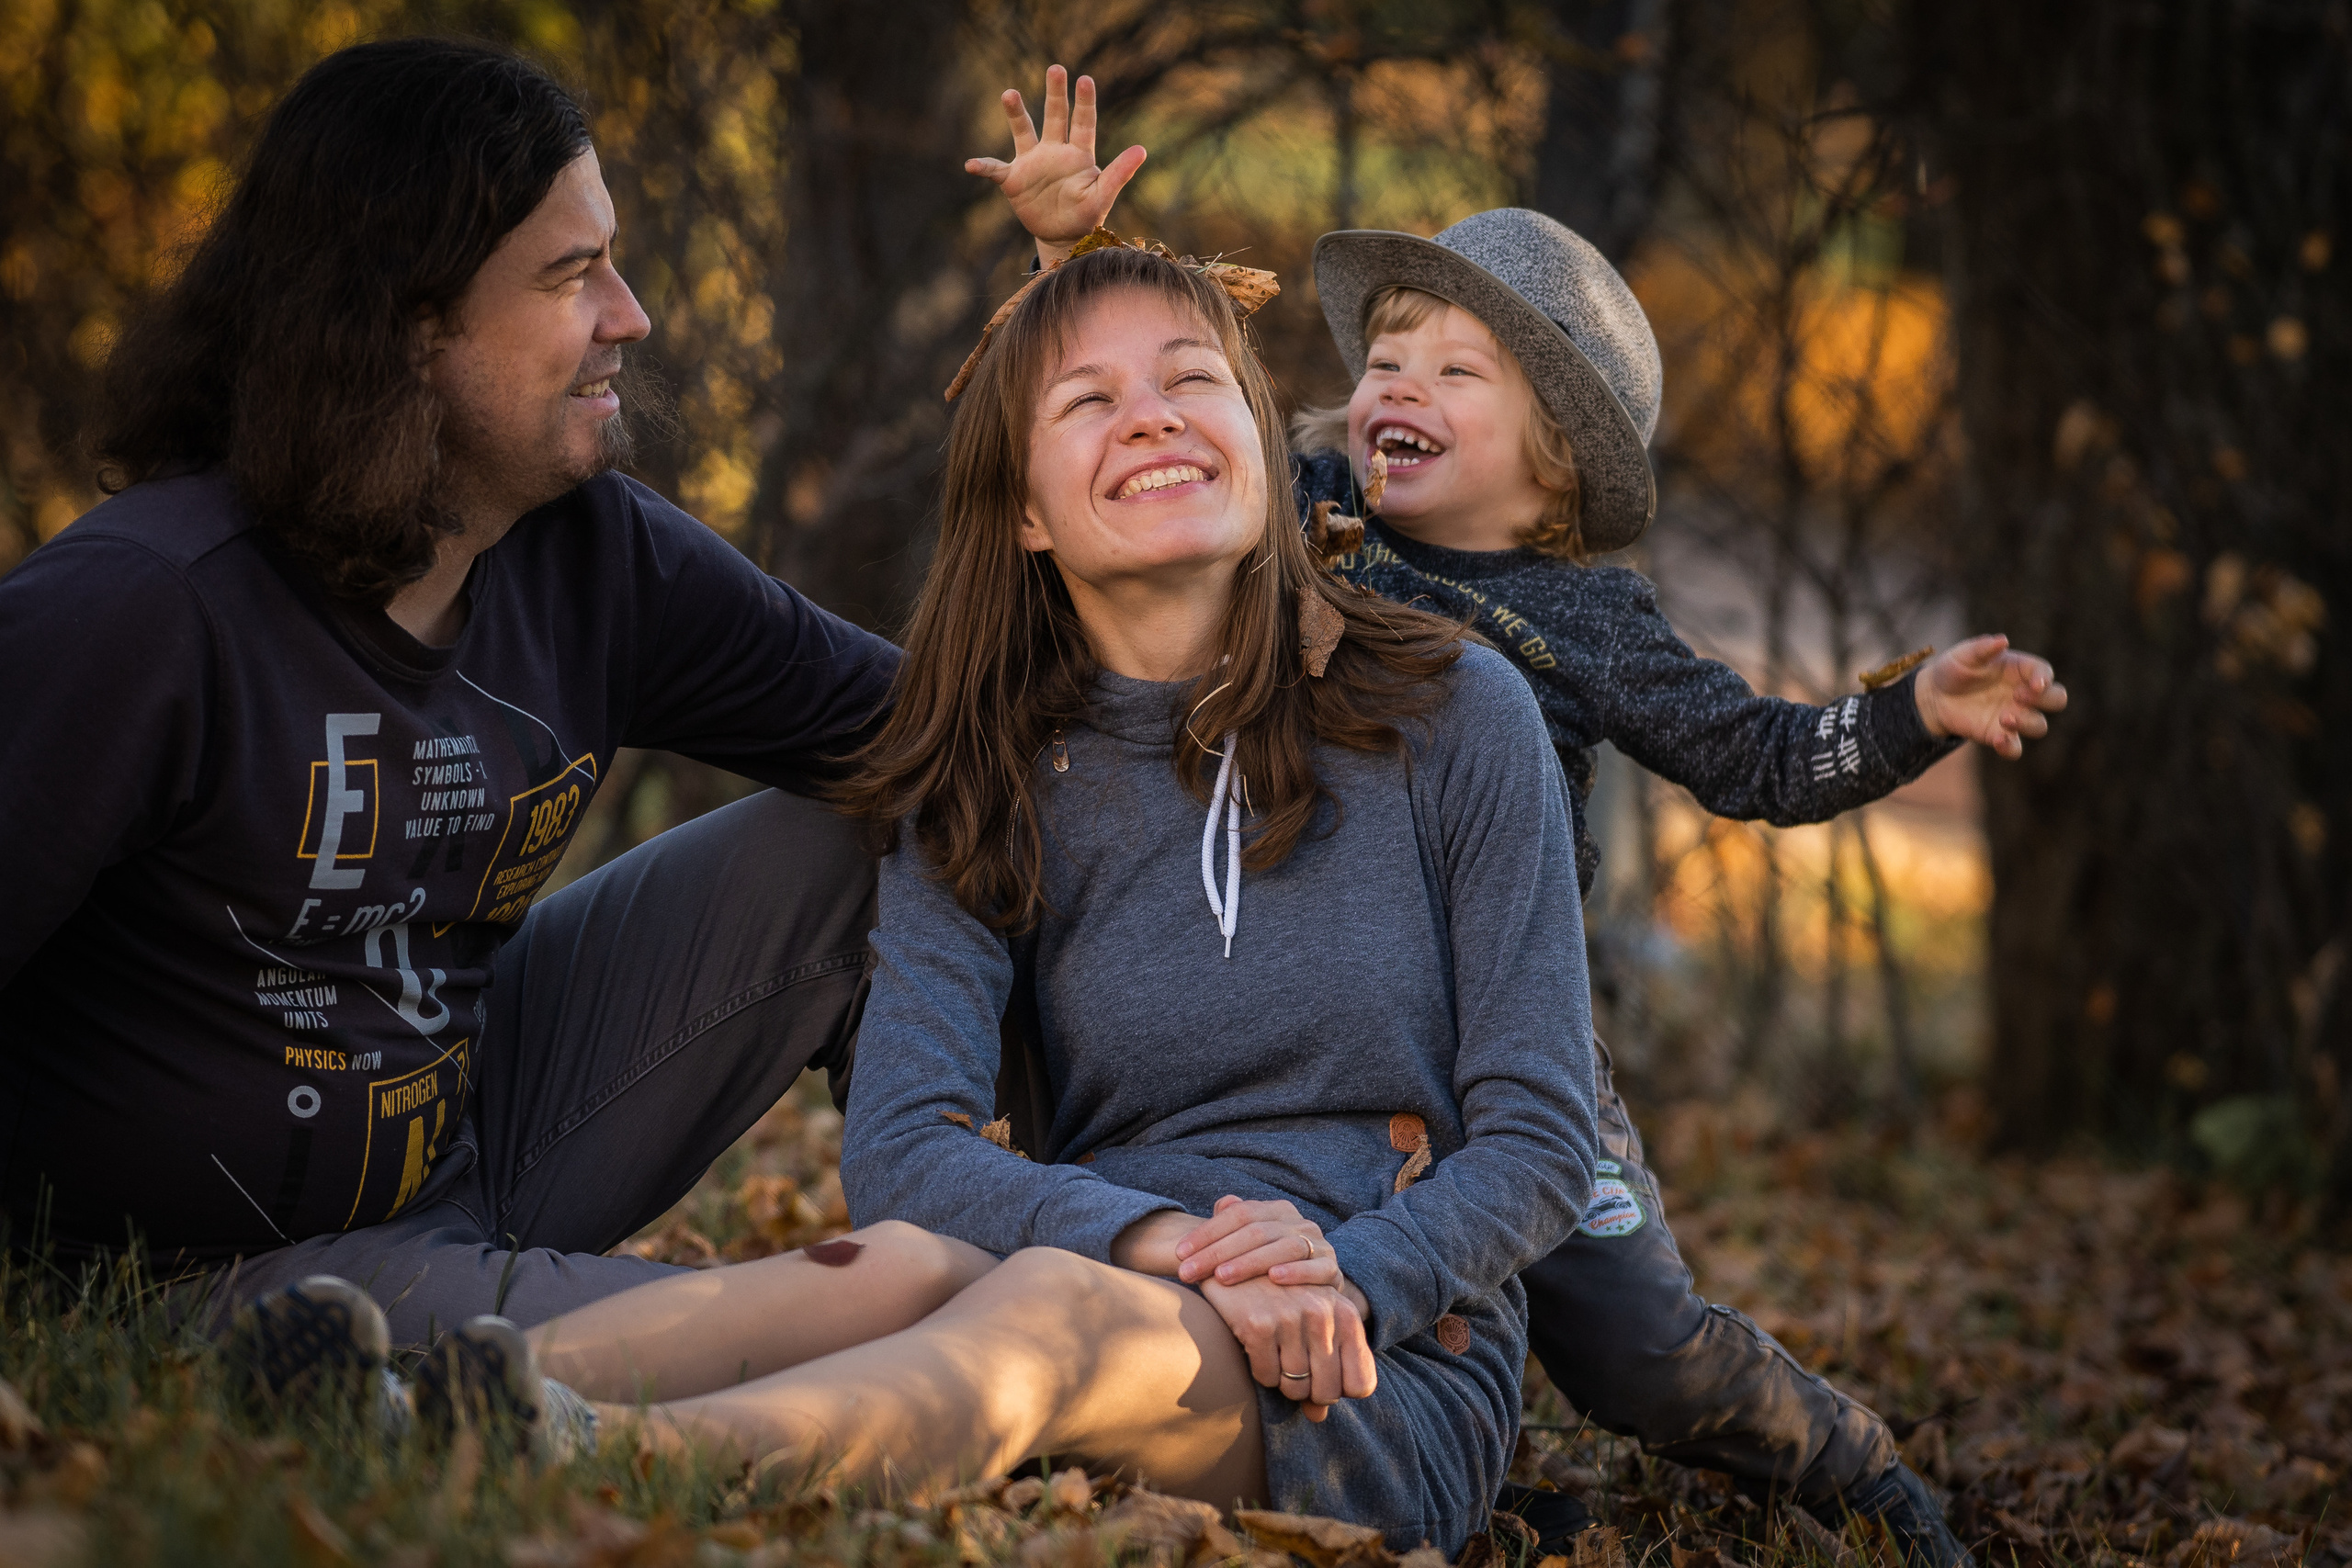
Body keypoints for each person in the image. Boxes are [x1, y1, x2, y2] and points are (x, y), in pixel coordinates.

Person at [221, 235, 1600, 1551]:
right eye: (1089, 401)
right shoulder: (988, 770)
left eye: (1193, 379)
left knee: (1057, 1306)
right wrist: (1164, 1240)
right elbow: (904, 1150)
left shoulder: (1453, 713)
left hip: (1376, 1349)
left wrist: (1345, 1275)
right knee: (896, 1263)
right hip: (1105, 1271)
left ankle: (596, 1453)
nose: (1153, 416)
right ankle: (392, 1402)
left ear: (1259, 439)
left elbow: (1542, 1135)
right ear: (1025, 512)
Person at [970, 68, 2074, 1566]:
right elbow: (1145, 433)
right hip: (1324, 1015)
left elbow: (1754, 756)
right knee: (1315, 1257)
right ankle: (1382, 1446)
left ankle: (1853, 1469)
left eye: (1455, 371)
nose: (1395, 389)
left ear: (1556, 449)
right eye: (1386, 359)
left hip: (1510, 1040)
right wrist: (1069, 254)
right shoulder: (1300, 511)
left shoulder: (1586, 621)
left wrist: (1910, 712)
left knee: (1634, 1349)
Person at [0, 39, 895, 1346]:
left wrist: (1094, 426)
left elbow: (947, 732)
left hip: (475, 1153)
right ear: (411, 328)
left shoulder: (594, 556)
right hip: (195, 1275)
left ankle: (1092, 1219)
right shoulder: (141, 609)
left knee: (870, 831)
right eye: (572, 275)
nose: (630, 315)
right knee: (870, 1328)